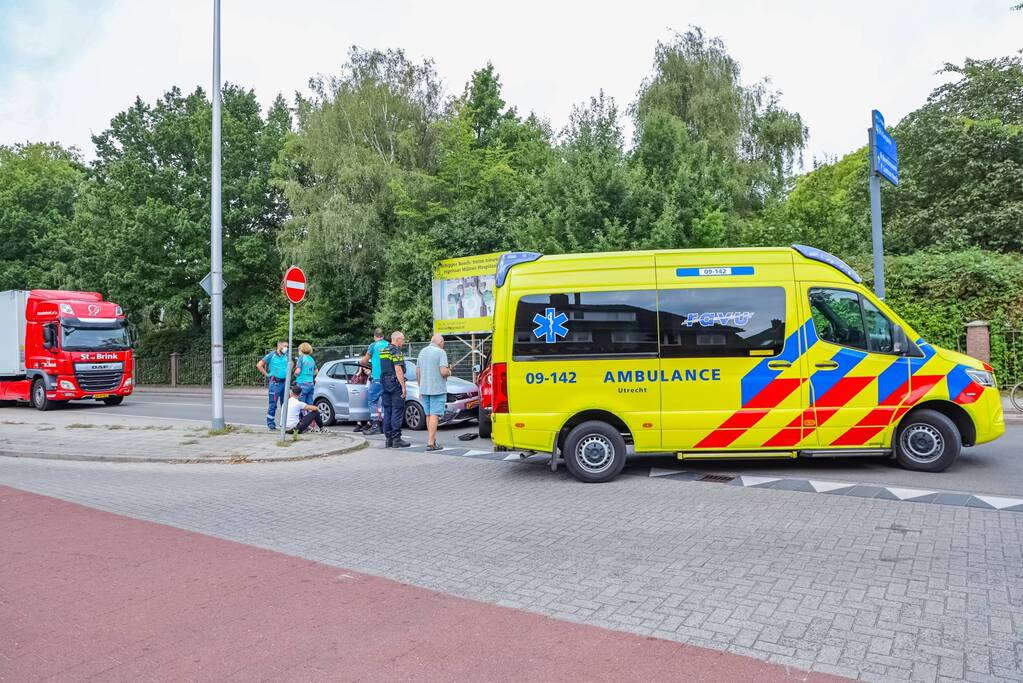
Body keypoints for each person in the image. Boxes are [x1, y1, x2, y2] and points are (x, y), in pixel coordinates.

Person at [416, 333, 451, 451]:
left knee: (428, 414)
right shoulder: (441, 352)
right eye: (443, 343)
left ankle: (431, 440)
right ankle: (431, 443)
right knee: (435, 415)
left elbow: (418, 371)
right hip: (437, 389)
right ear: (440, 342)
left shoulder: (422, 352)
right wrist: (449, 371)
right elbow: (443, 372)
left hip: (424, 388)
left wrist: (420, 387)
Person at [379, 330, 410, 448]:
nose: (403, 342)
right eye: (402, 340)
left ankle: (388, 439)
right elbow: (398, 370)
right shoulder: (396, 351)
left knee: (387, 410)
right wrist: (403, 387)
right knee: (397, 410)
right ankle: (396, 439)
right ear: (397, 340)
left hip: (384, 382)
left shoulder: (383, 351)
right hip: (394, 383)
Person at [360, 328, 389, 435]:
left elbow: (364, 361)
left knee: (372, 400)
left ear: (374, 336)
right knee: (386, 401)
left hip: (377, 377)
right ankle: (386, 425)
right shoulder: (388, 345)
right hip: (388, 378)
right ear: (383, 336)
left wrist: (363, 363)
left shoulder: (373, 346)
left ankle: (376, 424)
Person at [256, 340, 289, 431]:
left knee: (285, 404)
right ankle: (270, 423)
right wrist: (267, 375)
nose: (287, 348)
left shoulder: (286, 356)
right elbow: (259, 365)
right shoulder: (271, 355)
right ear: (279, 345)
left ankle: (284, 423)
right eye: (285, 346)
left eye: (287, 346)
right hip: (275, 383)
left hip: (285, 383)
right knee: (273, 404)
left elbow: (292, 364)